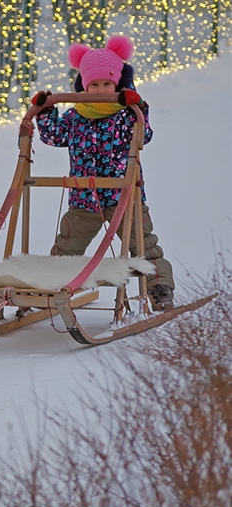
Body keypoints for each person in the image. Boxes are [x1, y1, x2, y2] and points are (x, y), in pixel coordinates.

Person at [33, 35, 175, 310]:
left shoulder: (124, 114)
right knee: (66, 247)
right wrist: (46, 110)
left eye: (107, 84)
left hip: (124, 197)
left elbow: (143, 136)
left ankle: (159, 287)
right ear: (84, 85)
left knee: (143, 245)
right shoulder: (75, 117)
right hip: (84, 199)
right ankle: (53, 287)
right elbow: (53, 136)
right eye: (94, 84)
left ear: (118, 84)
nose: (100, 90)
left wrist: (138, 108)